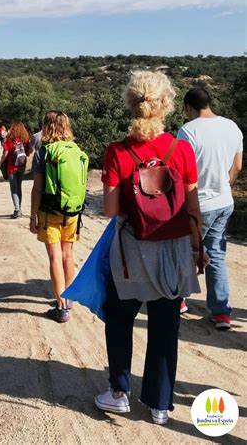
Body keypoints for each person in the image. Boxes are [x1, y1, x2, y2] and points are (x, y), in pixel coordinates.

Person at [95, 71, 202, 425]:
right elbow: (192, 206)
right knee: (165, 326)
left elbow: (110, 210)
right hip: (172, 250)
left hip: (131, 251)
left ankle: (119, 392)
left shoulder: (117, 151)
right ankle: (159, 405)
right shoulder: (182, 149)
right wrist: (197, 247)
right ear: (166, 105)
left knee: (119, 318)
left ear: (130, 103)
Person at [178, 88, 243, 329]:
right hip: (224, 202)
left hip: (198, 204)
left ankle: (178, 300)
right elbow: (237, 165)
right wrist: (225, 186)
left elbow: (180, 172)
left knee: (186, 253)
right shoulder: (232, 127)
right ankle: (221, 312)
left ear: (188, 107)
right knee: (216, 254)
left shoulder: (188, 131)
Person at [29, 111, 83, 323]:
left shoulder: (44, 151)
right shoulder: (76, 149)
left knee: (54, 257)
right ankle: (68, 299)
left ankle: (61, 308)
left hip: (49, 211)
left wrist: (33, 215)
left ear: (46, 127)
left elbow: (37, 189)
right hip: (72, 211)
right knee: (67, 254)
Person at [0, 121, 30, 218]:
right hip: (21, 166)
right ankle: (19, 209)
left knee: (14, 189)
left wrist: (0, 163)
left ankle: (17, 209)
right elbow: (28, 153)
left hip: (11, 167)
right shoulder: (25, 139)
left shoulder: (9, 139)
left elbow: (6, 152)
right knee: (19, 188)